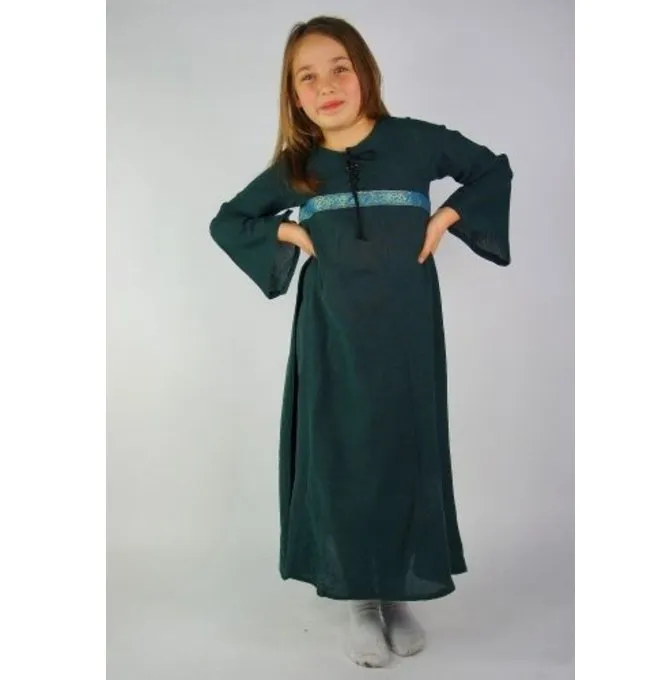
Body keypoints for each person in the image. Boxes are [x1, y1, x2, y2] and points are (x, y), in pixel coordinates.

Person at [209, 15, 513, 668]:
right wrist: (290, 232)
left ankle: (398, 590)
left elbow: (492, 170)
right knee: (344, 454)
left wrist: (446, 217)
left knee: (403, 447)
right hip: (333, 337)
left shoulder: (417, 141)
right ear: (294, 95)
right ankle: (359, 601)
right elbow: (229, 220)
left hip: (407, 332)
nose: (326, 86)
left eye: (338, 68)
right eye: (307, 77)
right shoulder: (297, 167)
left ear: (364, 71)